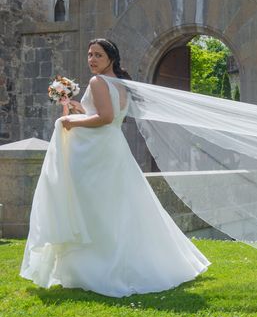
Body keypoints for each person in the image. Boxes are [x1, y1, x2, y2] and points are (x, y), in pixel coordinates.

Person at [20, 38, 209, 297]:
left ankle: (99, 266)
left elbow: (105, 118)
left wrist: (70, 122)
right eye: (89, 54)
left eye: (98, 55)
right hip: (113, 148)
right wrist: (76, 108)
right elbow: (103, 114)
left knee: (96, 207)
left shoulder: (99, 82)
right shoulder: (119, 84)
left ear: (111, 58)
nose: (92, 59)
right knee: (118, 206)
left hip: (98, 152)